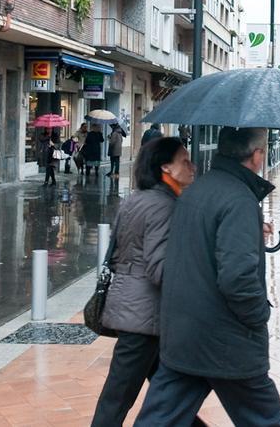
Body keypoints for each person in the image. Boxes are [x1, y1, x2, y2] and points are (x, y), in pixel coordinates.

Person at [136, 128, 280, 426]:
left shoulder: (195, 191)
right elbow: (238, 278)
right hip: (227, 339)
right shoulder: (239, 200)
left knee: (159, 418)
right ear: (256, 156)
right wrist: (258, 315)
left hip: (184, 333)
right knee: (264, 417)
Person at [91, 137, 201, 427]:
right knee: (117, 399)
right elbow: (160, 268)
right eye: (185, 161)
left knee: (176, 393)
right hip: (144, 317)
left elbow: (116, 254)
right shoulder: (165, 206)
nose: (193, 166)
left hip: (135, 311)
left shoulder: (136, 199)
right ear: (166, 167)